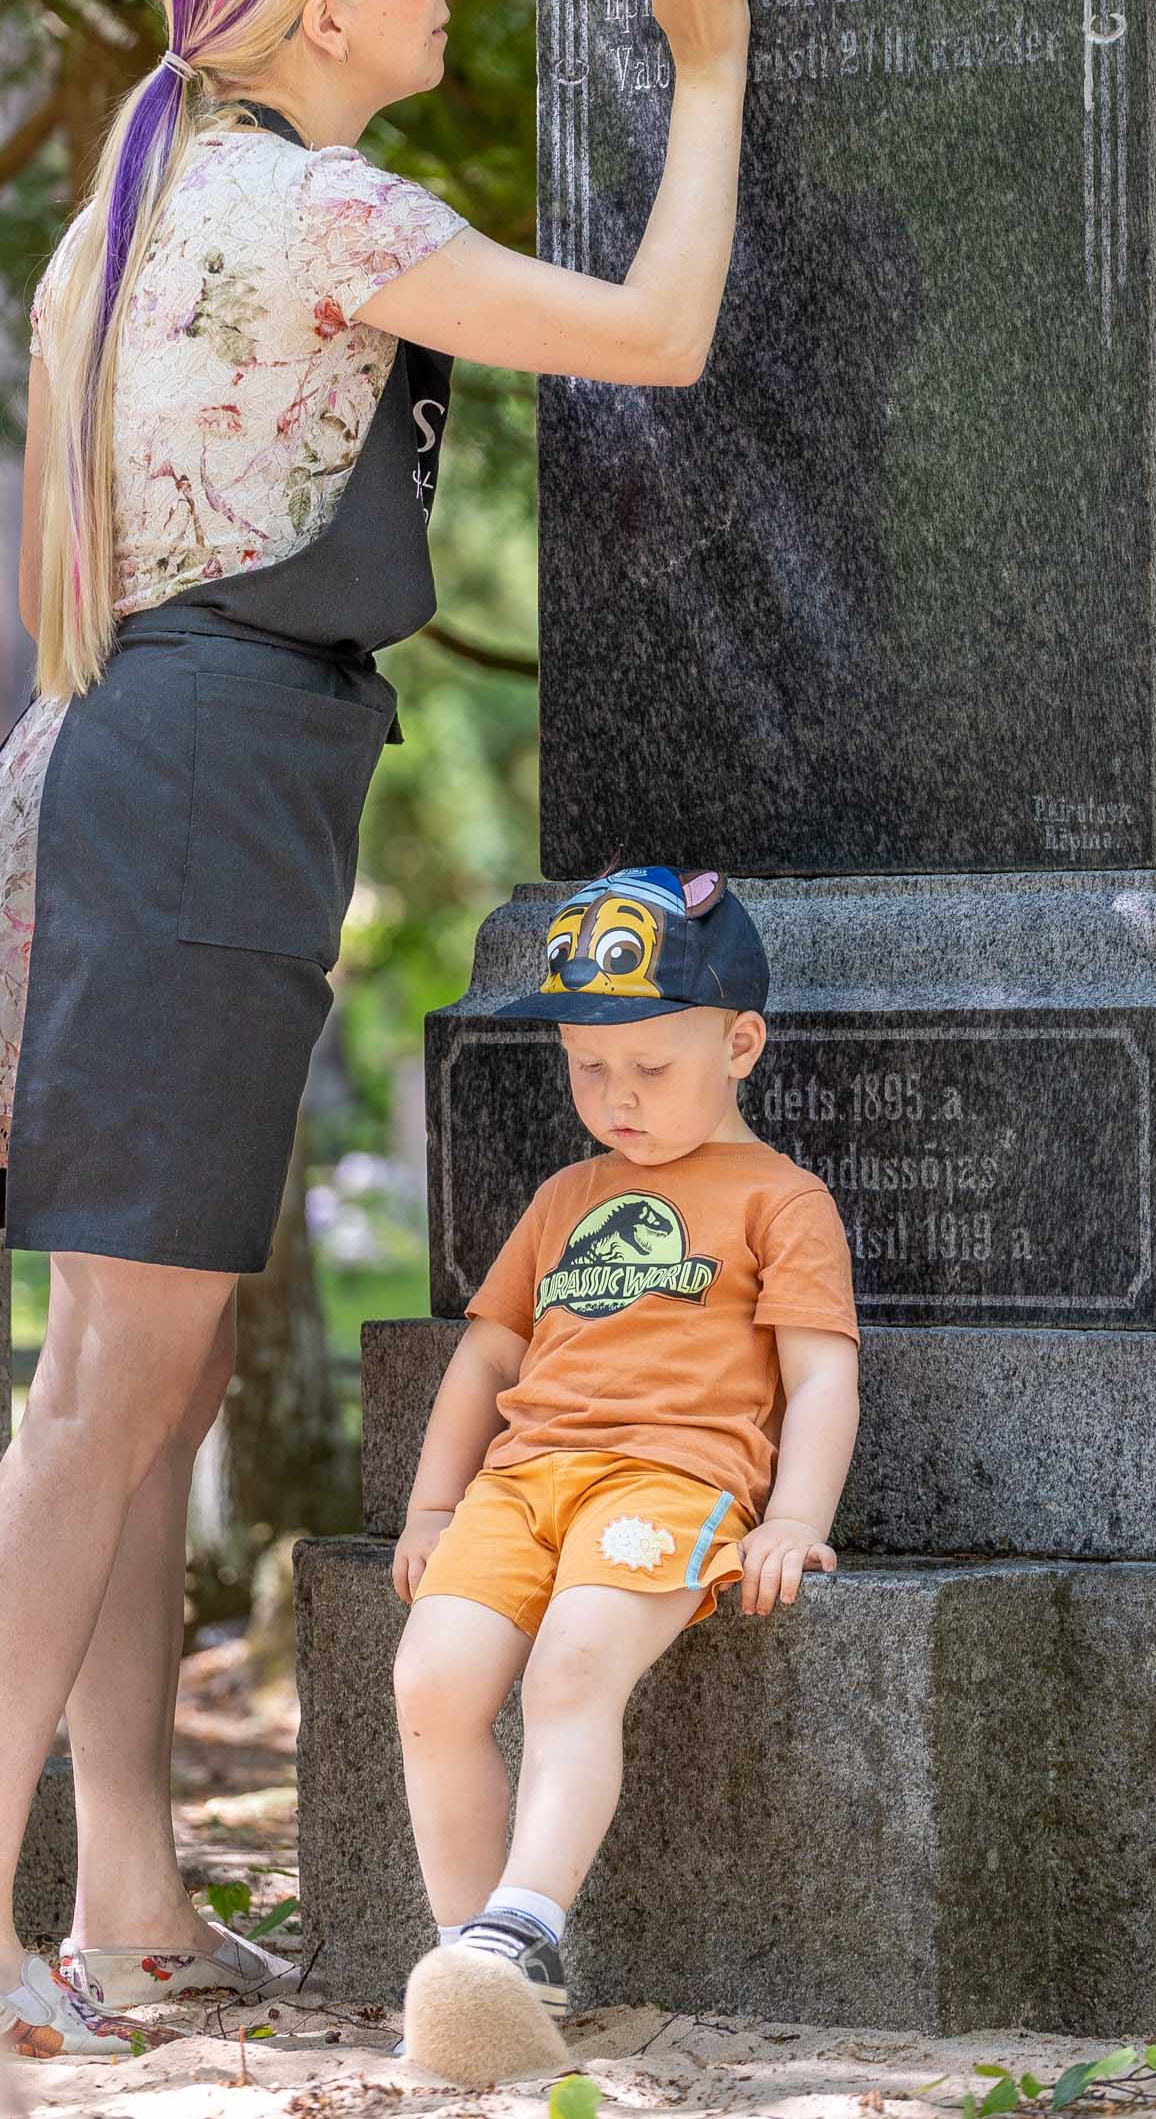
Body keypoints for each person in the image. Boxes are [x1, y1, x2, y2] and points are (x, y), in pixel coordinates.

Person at [0, 0, 756, 2061]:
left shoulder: (138, 212)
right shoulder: (324, 217)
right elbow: (658, 336)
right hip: (199, 792)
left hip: (148, 771)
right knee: (106, 1386)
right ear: (316, 17)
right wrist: (707, 68)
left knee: (152, 1375)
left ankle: (124, 1899)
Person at [388, 866, 860, 2089]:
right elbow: (488, 1352)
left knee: (577, 1662)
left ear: (738, 1042)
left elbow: (817, 1378)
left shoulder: (780, 1201)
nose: (616, 1097)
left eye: (649, 1068)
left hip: (667, 1484)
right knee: (431, 1677)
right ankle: (467, 1971)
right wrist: (434, 1504)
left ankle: (525, 1927)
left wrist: (794, 1515)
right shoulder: (565, 1197)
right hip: (520, 1482)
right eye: (588, 1069)